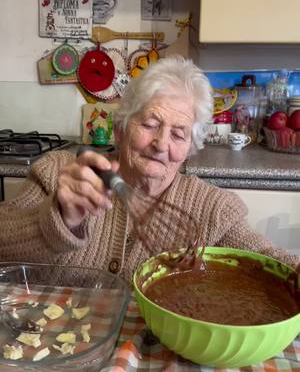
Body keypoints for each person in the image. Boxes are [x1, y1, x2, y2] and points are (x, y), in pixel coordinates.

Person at [0, 56, 299, 283]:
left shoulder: (213, 210)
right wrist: (58, 220)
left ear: (190, 149)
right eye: (150, 124)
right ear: (120, 130)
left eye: (179, 134)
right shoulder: (56, 174)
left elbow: (274, 264)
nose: (160, 143)